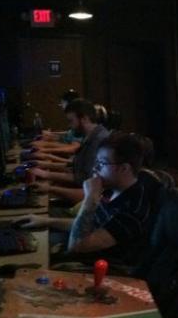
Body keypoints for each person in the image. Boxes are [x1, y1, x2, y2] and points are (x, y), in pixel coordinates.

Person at [18, 133, 154, 265]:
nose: (95, 168)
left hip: (92, 266)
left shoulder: (133, 210)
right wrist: (44, 221)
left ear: (124, 168)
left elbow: (76, 247)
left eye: (102, 163)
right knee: (24, 235)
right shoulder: (112, 188)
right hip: (80, 248)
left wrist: (90, 198)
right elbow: (86, 225)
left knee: (24, 255)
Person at [31, 99, 111, 203]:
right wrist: (45, 172)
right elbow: (76, 169)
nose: (69, 126)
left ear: (84, 119)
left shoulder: (98, 140)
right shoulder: (90, 136)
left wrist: (48, 178)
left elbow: (85, 179)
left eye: (71, 121)